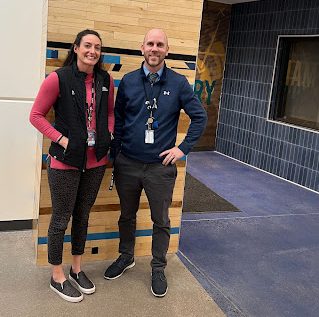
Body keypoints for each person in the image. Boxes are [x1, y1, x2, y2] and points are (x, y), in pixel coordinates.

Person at [104, 28, 207, 297]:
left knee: (160, 219)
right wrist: (115, 157)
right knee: (126, 215)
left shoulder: (178, 83)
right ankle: (126, 256)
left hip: (160, 168)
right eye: (150, 43)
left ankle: (158, 267)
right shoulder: (127, 81)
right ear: (142, 48)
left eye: (160, 44)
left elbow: (200, 117)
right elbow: (120, 120)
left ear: (166, 50)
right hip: (128, 163)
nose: (154, 48)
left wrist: (182, 149)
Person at [30, 29, 114, 302]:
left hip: (96, 161)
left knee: (83, 216)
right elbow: (36, 115)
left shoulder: (105, 79)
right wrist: (62, 140)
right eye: (87, 45)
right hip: (65, 162)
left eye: (97, 47)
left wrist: (108, 134)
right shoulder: (59, 78)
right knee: (60, 219)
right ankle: (57, 275)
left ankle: (77, 269)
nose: (93, 51)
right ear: (76, 48)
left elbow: (110, 112)